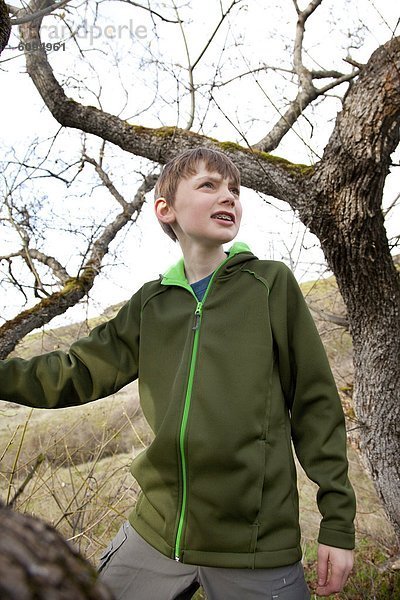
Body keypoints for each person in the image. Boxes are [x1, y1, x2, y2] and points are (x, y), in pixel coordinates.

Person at [0, 147, 355, 599]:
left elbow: (316, 406)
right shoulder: (151, 303)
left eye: (235, 190)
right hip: (156, 533)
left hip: (253, 545)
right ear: (164, 209)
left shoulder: (270, 285)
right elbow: (73, 372)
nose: (228, 196)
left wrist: (338, 524)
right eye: (209, 185)